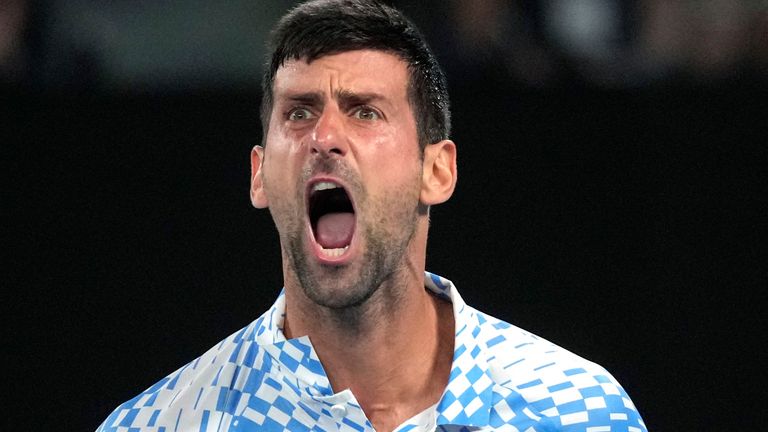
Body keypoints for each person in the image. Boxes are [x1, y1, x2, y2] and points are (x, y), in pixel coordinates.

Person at [97, 0, 646, 431]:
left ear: (437, 170)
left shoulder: (579, 411)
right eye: (299, 112)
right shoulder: (162, 423)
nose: (325, 137)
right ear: (259, 175)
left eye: (365, 111)